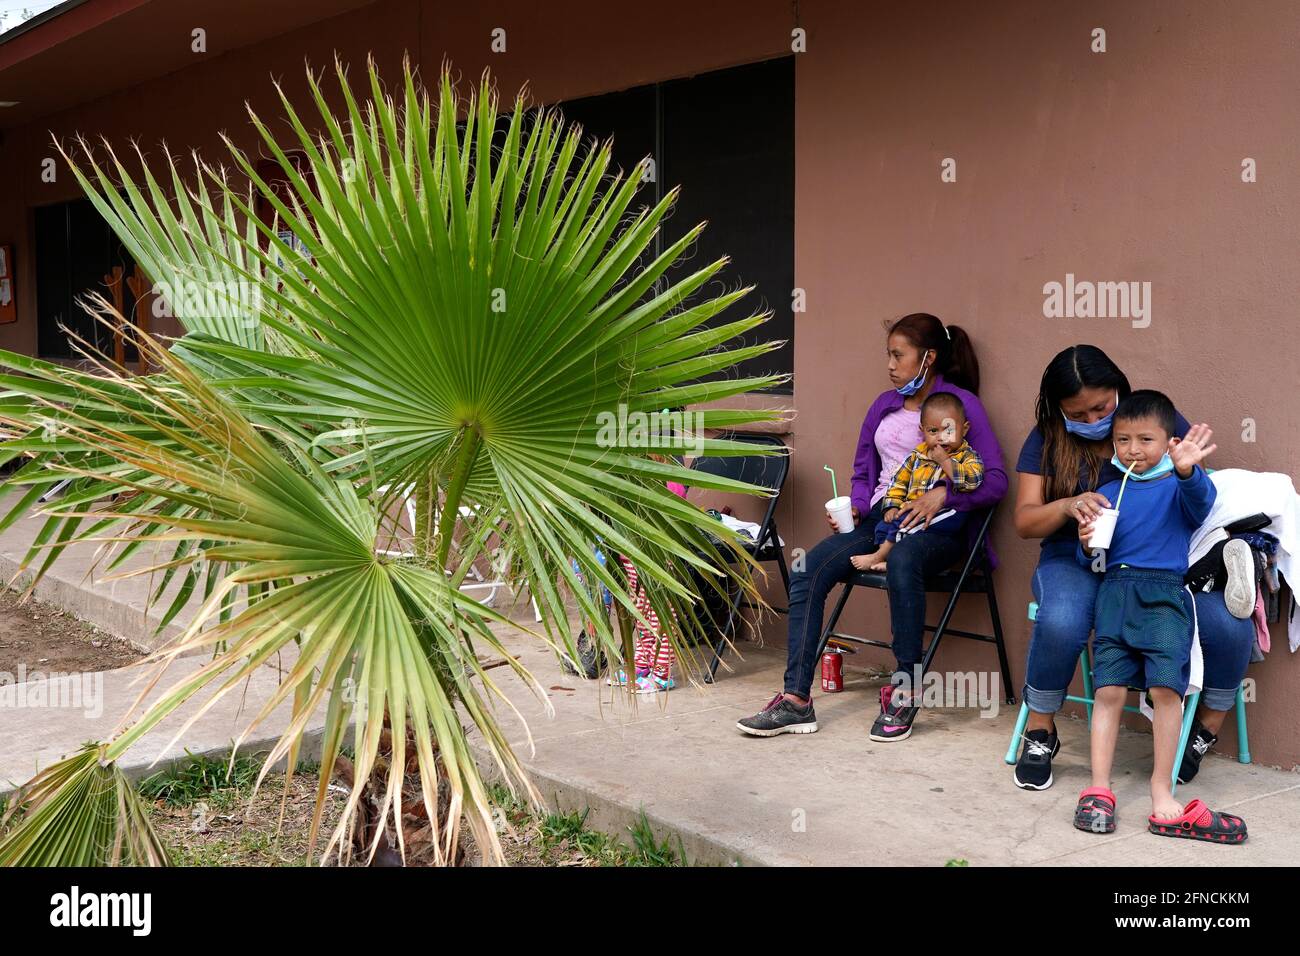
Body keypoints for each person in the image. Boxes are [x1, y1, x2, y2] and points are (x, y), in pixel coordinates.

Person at [736, 313, 1006, 742]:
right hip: (885, 519)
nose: (890, 365)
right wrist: (857, 507)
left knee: (902, 559)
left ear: (928, 357)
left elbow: (995, 480)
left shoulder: (960, 406)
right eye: (889, 355)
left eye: (899, 355)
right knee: (810, 569)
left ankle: (905, 689)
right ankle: (796, 701)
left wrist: (944, 495)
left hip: (941, 529)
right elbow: (864, 468)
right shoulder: (884, 405)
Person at [1011, 345, 1255, 790]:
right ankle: (1041, 730)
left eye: (1100, 409)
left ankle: (1204, 731)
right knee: (1064, 620)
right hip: (1078, 556)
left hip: (1161, 559)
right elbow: (1025, 521)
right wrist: (1068, 506)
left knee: (1225, 620)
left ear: (1120, 391)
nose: (1091, 422)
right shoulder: (1046, 436)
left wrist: (1187, 471)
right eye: (1076, 413)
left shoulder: (1152, 418)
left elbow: (1196, 494)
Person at [1070, 391, 1245, 842]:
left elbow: (1201, 504)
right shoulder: (1108, 492)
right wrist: (1088, 538)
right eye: (1123, 439)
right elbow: (1090, 553)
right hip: (1115, 595)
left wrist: (1187, 469)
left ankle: (1161, 792)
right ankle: (1099, 788)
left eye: (1146, 439)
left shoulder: (1179, 485)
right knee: (1108, 690)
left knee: (1168, 693)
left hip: (1166, 597)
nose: (1132, 449)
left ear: (1169, 441)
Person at [850, 391, 984, 573]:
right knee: (884, 526)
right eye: (933, 431)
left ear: (964, 429)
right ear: (922, 431)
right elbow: (898, 482)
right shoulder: (916, 456)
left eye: (949, 430)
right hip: (914, 511)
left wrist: (946, 462)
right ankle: (891, 559)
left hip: (947, 513)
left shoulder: (966, 456)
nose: (941, 437)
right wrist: (892, 506)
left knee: (904, 524)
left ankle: (879, 556)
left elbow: (973, 480)